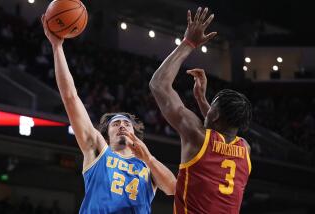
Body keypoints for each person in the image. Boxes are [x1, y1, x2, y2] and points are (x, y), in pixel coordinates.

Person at [41, 15, 176, 214]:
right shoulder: (98, 150)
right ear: (107, 135)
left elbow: (173, 188)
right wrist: (57, 47)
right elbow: (70, 97)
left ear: (135, 133)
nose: (121, 125)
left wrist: (149, 159)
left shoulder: (147, 165)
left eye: (126, 123)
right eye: (115, 124)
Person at [149, 7, 252, 214]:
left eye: (212, 105)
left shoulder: (196, 136)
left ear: (215, 115)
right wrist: (202, 99)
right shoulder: (245, 150)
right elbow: (221, 133)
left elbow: (158, 85)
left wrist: (188, 43)